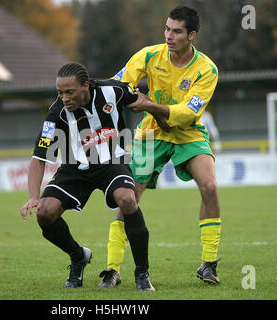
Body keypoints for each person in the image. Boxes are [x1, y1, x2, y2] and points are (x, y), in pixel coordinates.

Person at [99, 5, 222, 287]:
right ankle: (112, 268)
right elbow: (119, 84)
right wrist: (98, 90)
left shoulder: (207, 69)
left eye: (176, 31)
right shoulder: (150, 54)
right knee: (127, 197)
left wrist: (150, 105)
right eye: (167, 29)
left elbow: (189, 112)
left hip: (188, 135)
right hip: (150, 136)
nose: (169, 35)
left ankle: (209, 264)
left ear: (191, 35)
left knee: (210, 187)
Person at [20, 62, 155, 291]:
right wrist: (34, 196)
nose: (64, 98)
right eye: (60, 92)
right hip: (74, 169)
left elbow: (141, 100)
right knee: (44, 213)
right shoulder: (55, 115)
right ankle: (78, 256)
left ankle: (142, 273)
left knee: (128, 200)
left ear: (85, 85)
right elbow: (39, 158)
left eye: (69, 92)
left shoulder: (113, 90)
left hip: (113, 162)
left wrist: (161, 120)